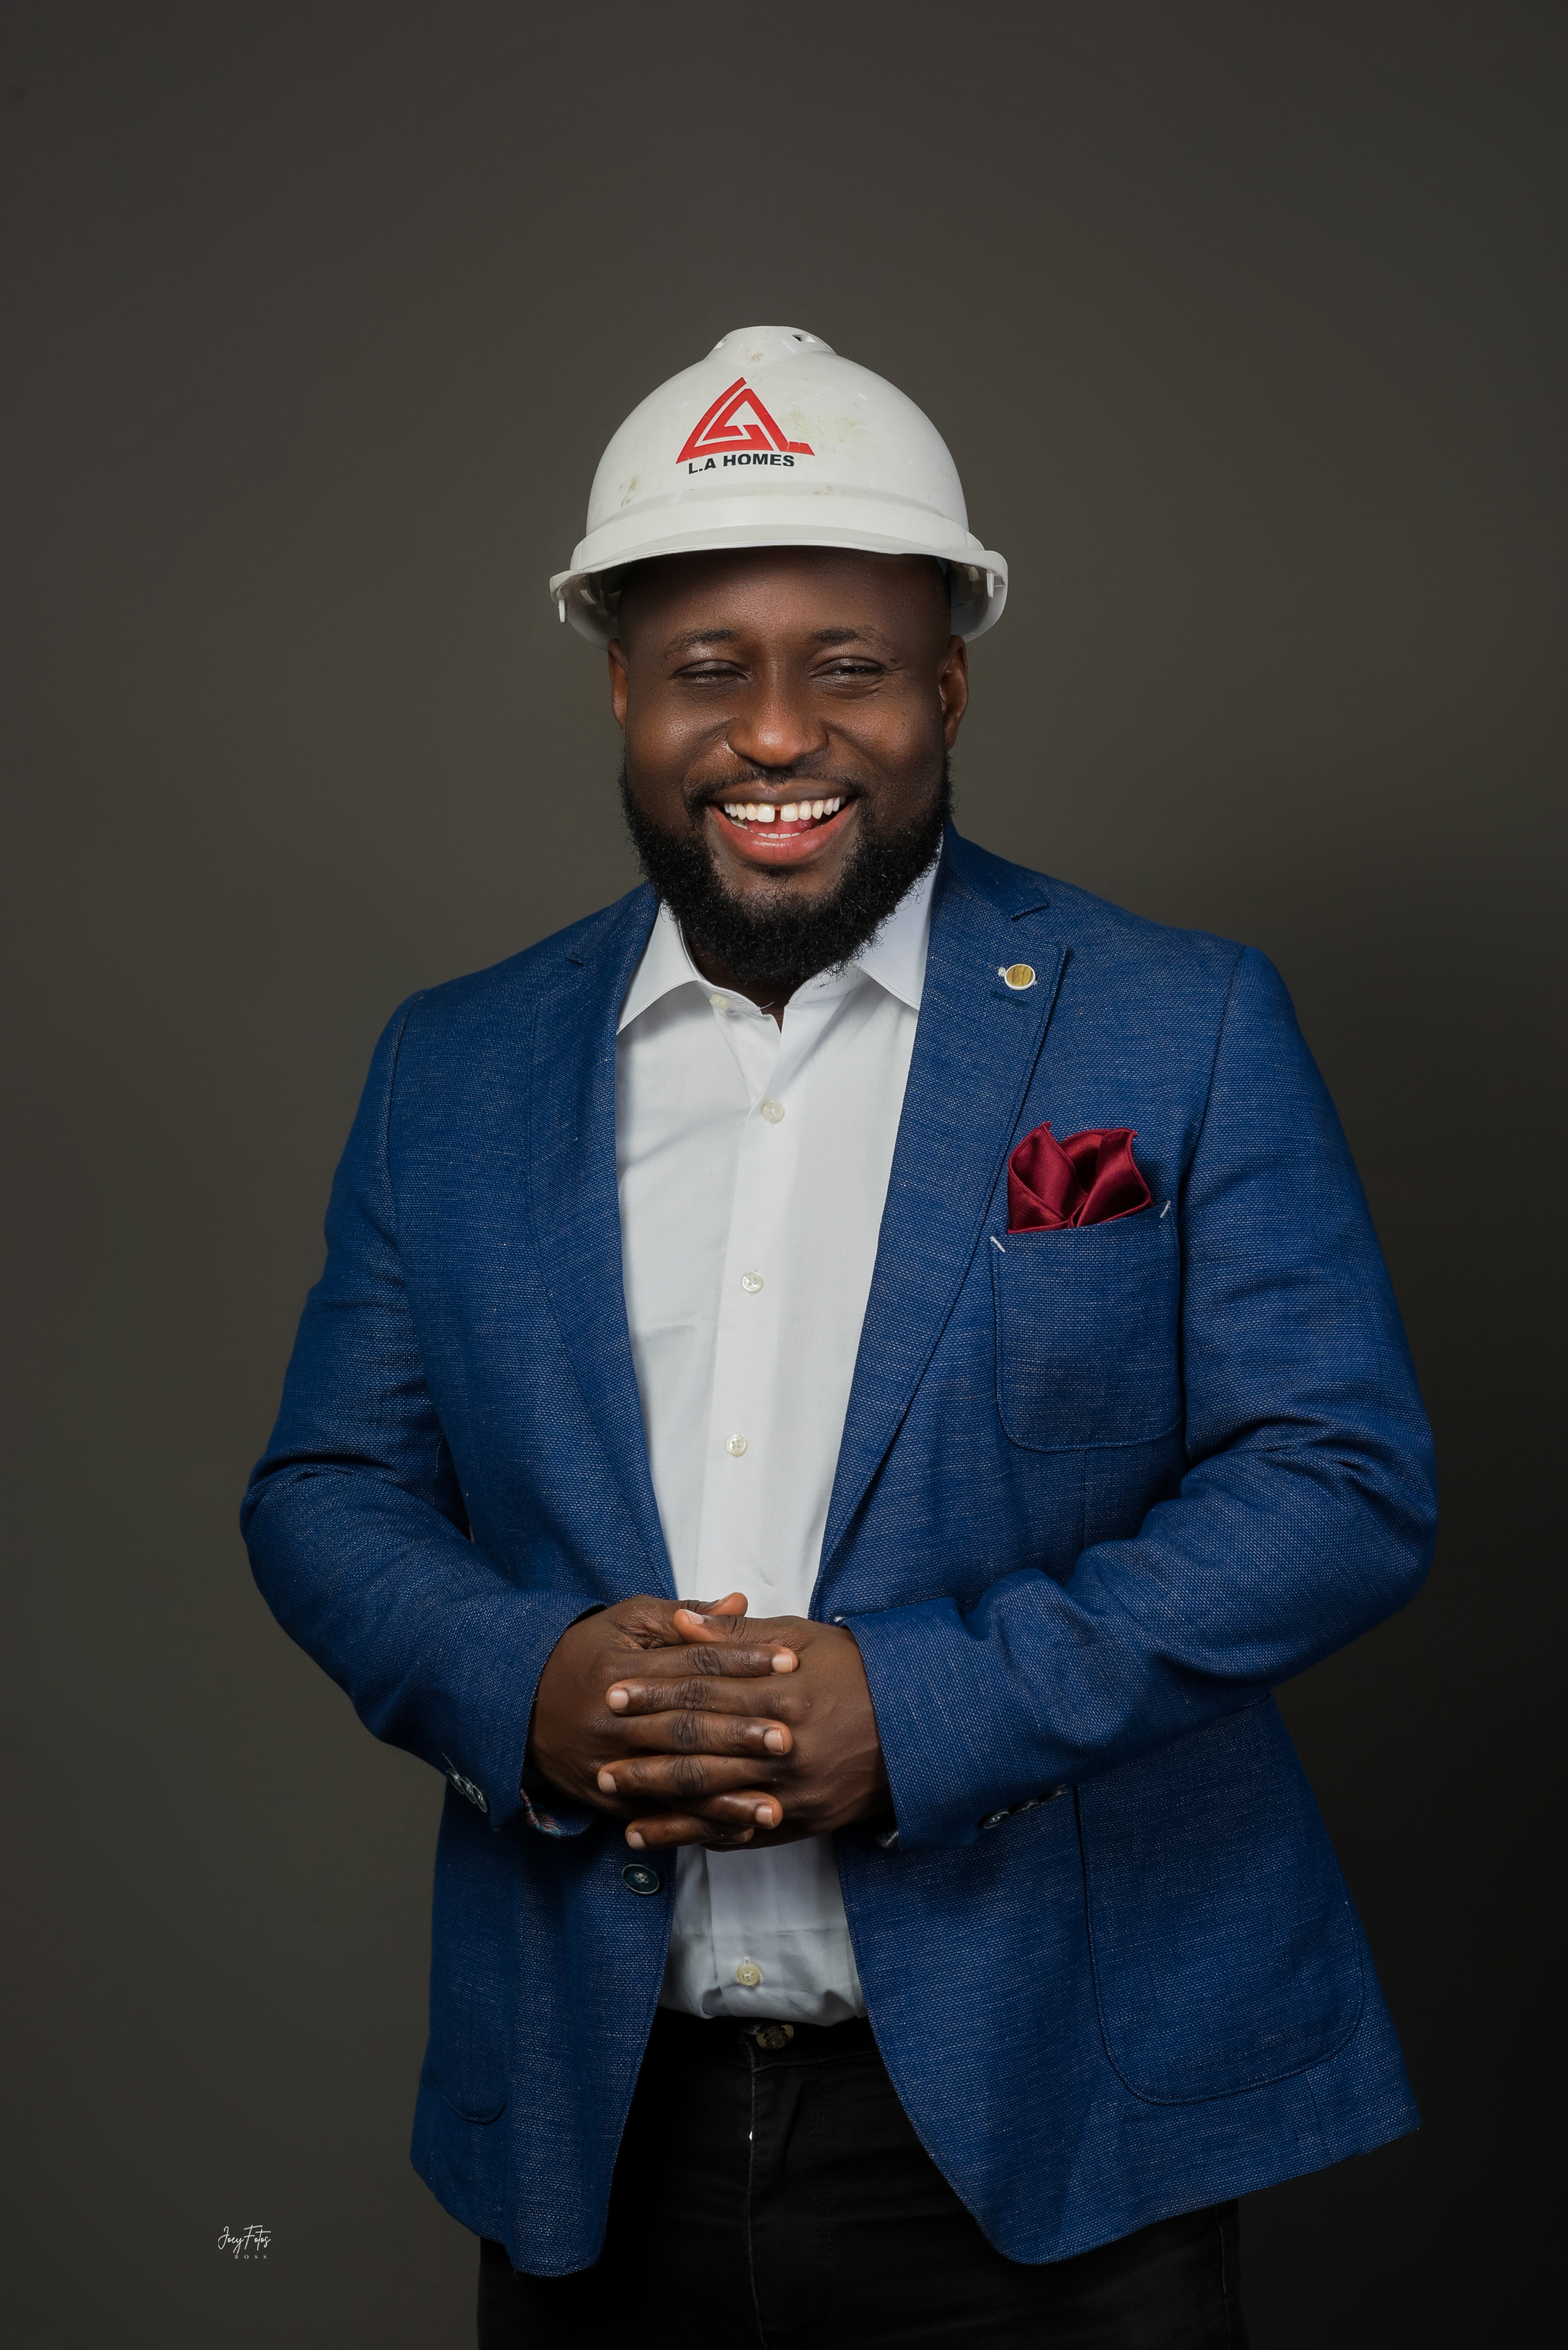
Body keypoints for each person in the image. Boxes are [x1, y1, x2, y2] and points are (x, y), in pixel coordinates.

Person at [243, 326, 1435, 2348]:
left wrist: (929, 1707)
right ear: (624, 690)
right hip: (597, 2116)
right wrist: (528, 1685)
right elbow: (328, 1490)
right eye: (708, 667)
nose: (778, 732)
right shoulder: (452, 1069)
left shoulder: (1177, 1023)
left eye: (852, 667)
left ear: (946, 687)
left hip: (1059, 2113)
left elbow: (1339, 1482)